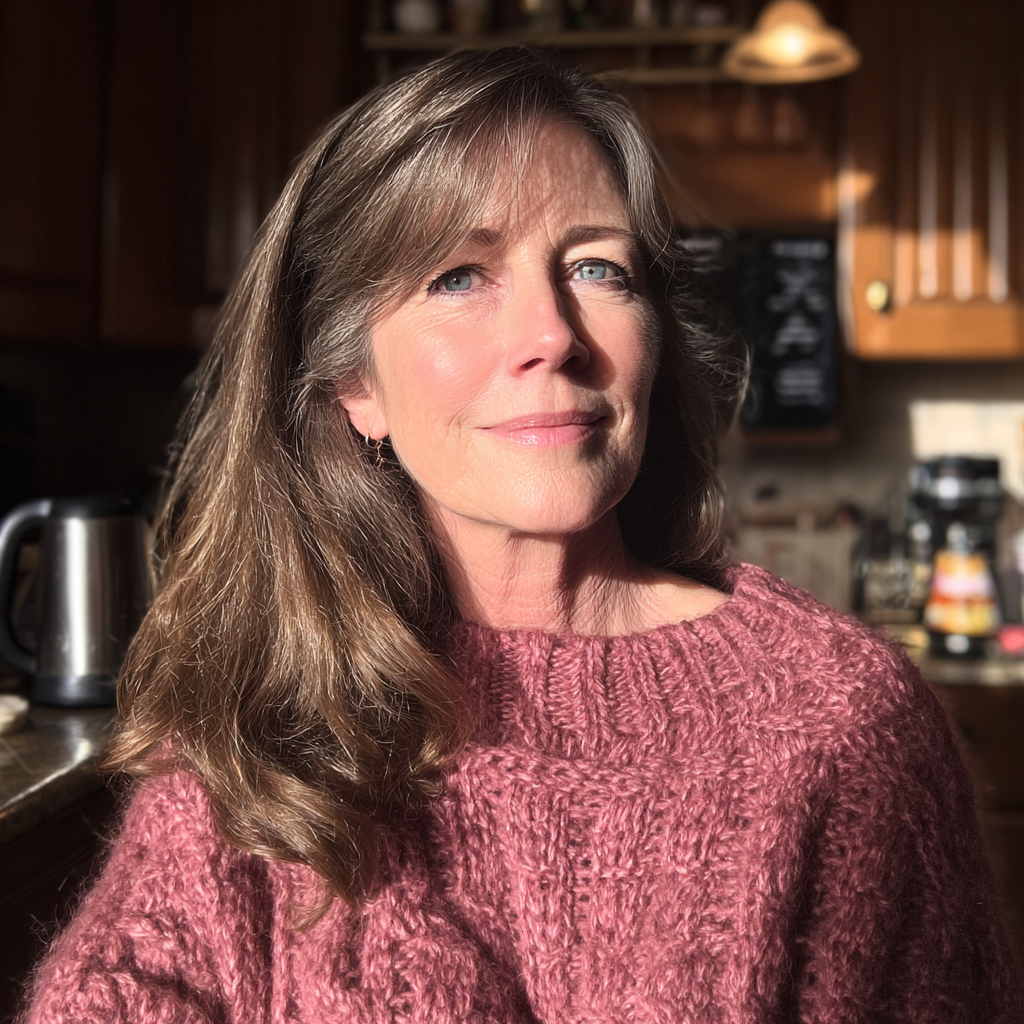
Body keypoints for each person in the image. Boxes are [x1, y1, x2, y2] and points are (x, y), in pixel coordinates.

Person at [23, 47, 1022, 1023]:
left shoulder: (839, 728)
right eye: (458, 276)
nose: (550, 333)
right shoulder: (260, 727)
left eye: (597, 267)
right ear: (353, 384)